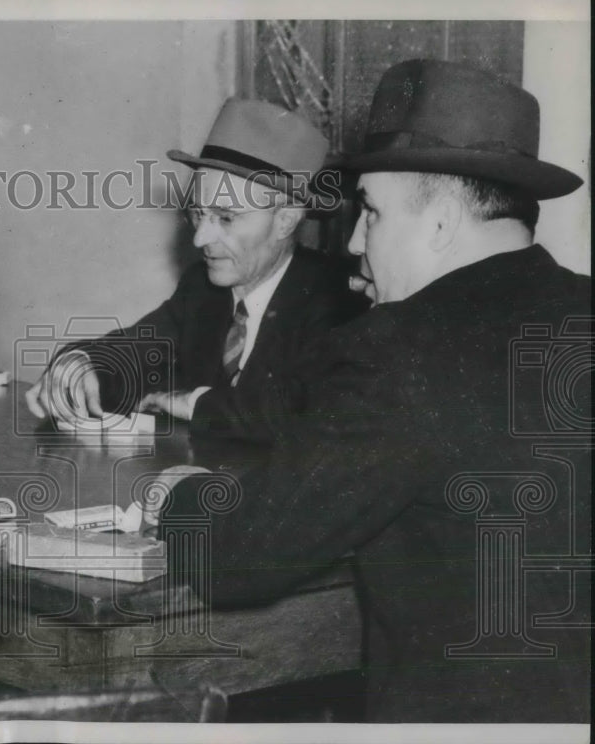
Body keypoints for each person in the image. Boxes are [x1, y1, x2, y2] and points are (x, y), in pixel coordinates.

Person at [149, 59, 591, 722]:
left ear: (439, 225)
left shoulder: (401, 348)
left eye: (373, 215)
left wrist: (178, 496)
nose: (354, 241)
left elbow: (247, 557)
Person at [26, 98, 365, 439]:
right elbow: (136, 351)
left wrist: (198, 404)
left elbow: (308, 415)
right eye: (199, 213)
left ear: (286, 221)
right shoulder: (203, 289)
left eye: (226, 218)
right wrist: (82, 363)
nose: (201, 238)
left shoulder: (336, 300)